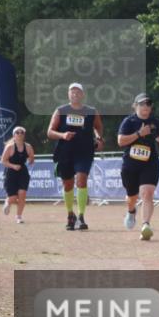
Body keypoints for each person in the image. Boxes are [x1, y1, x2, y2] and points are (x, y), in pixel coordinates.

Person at [48, 82, 104, 230]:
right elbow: (50, 132)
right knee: (67, 184)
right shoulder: (61, 110)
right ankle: (70, 214)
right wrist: (63, 134)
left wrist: (98, 138)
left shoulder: (91, 111)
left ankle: (81, 216)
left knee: (81, 179)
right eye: (72, 92)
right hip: (65, 152)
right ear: (68, 94)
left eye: (78, 92)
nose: (75, 94)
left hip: (84, 152)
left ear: (83, 94)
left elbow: (98, 127)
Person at [117, 93, 159, 240]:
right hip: (130, 164)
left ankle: (146, 225)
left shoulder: (155, 122)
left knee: (147, 193)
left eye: (148, 104)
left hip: (150, 163)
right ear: (135, 106)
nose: (145, 107)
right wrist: (139, 134)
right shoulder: (129, 121)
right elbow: (120, 141)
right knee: (132, 197)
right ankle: (131, 211)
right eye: (142, 104)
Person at [1, 126, 34, 223]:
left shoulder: (28, 147)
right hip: (10, 173)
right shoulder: (10, 147)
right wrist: (13, 166)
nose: (20, 134)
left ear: (24, 135)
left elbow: (31, 158)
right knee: (13, 198)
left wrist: (31, 160)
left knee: (22, 194)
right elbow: (3, 161)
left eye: (22, 132)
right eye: (17, 132)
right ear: (14, 135)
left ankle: (19, 217)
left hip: (22, 172)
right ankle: (7, 202)